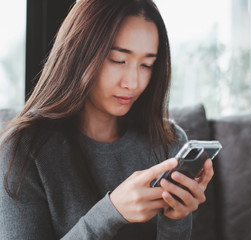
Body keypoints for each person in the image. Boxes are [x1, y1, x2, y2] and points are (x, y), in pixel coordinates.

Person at [0, 0, 214, 239]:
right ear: (79, 53)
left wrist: (176, 219)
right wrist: (111, 212)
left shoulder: (168, 141)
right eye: (118, 60)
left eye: (146, 65)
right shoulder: (22, 150)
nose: (132, 82)